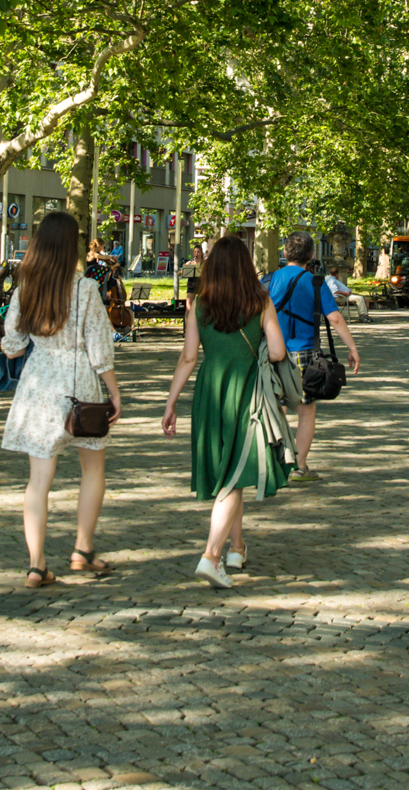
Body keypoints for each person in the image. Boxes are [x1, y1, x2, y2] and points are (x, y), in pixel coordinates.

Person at [0, 210, 122, 588]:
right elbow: (99, 349)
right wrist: (114, 392)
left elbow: (13, 346)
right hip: (79, 381)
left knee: (38, 480)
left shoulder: (26, 288)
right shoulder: (85, 289)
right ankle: (82, 549)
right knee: (93, 468)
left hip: (39, 383)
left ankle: (37, 565)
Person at [161, 234, 291, 589]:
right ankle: (211, 556)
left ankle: (237, 547)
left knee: (230, 471)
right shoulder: (260, 302)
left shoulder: (200, 306)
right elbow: (278, 352)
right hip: (247, 394)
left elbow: (188, 357)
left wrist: (171, 402)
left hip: (210, 393)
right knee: (234, 478)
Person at [261, 232, 360, 483]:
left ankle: (272, 464)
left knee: (277, 407)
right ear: (312, 255)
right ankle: (299, 466)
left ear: (285, 253)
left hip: (272, 352)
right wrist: (351, 347)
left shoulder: (269, 280)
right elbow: (335, 318)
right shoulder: (316, 282)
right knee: (306, 411)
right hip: (305, 354)